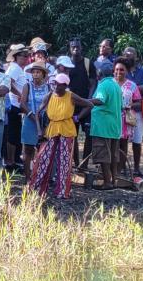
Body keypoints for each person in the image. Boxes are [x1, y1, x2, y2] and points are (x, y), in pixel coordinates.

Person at [27, 73, 101, 199]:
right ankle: (36, 188)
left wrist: (77, 117)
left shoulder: (71, 96)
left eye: (59, 84)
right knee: (43, 158)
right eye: (54, 83)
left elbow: (90, 105)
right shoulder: (49, 95)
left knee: (64, 161)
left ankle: (62, 191)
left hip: (67, 129)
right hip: (52, 129)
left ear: (65, 85)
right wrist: (40, 130)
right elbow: (38, 112)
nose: (56, 86)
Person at [88, 65, 123, 189]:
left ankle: (107, 182)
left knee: (104, 155)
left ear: (99, 74)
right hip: (114, 126)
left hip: (103, 126)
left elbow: (100, 100)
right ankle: (114, 180)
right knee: (113, 155)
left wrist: (86, 101)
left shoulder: (103, 85)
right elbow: (121, 105)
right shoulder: (116, 86)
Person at [65, 38, 98, 168]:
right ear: (70, 49)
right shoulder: (67, 63)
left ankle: (84, 164)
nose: (75, 49)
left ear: (81, 48)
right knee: (73, 134)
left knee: (89, 133)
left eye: (77, 46)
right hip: (71, 104)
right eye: (73, 47)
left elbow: (93, 81)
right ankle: (76, 163)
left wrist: (88, 99)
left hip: (86, 104)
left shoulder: (88, 63)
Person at [19, 60, 51, 177]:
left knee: (43, 149)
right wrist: (32, 116)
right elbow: (22, 103)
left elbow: (51, 103)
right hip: (29, 119)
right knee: (28, 149)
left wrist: (44, 119)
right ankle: (28, 177)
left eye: (38, 72)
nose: (36, 74)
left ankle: (41, 177)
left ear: (43, 74)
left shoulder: (49, 88)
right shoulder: (27, 86)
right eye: (34, 72)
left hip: (44, 121)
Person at [112, 58, 143, 179]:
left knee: (123, 144)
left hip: (125, 119)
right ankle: (112, 170)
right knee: (112, 144)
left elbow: (139, 103)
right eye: (117, 69)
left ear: (127, 71)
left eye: (122, 70)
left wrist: (129, 105)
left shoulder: (132, 85)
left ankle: (120, 170)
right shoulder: (110, 83)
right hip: (111, 118)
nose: (119, 72)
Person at [4, 44, 30, 172]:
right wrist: (20, 94)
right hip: (14, 104)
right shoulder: (14, 68)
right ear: (16, 56)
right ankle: (10, 162)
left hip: (18, 105)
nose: (25, 58)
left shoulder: (19, 68)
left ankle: (14, 159)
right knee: (13, 134)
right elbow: (8, 83)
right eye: (23, 55)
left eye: (27, 56)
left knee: (16, 134)